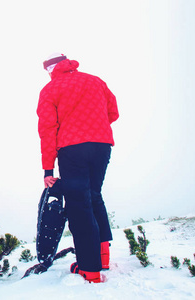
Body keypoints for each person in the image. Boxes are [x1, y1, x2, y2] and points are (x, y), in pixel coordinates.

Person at [37, 53, 119, 283]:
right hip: (102, 145)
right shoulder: (95, 80)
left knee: (78, 205)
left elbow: (47, 130)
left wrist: (48, 170)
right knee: (94, 196)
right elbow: (113, 112)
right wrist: (95, 129)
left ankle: (89, 269)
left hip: (72, 150)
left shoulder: (50, 89)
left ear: (51, 69)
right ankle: (103, 257)